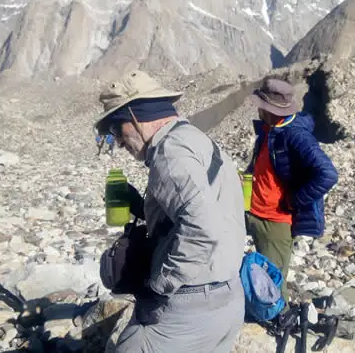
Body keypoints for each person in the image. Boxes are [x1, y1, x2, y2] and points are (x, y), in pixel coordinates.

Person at [93, 70, 246, 353]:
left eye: (116, 130)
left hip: (190, 306)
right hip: (228, 296)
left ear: (135, 117)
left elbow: (202, 230)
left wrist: (157, 289)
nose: (119, 142)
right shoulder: (196, 140)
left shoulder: (169, 154)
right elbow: (207, 207)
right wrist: (143, 205)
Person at [243, 78, 338, 309]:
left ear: (270, 109)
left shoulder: (295, 135)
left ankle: (278, 323)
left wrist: (294, 200)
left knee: (271, 283)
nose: (258, 109)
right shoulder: (270, 130)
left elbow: (327, 174)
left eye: (261, 105)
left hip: (274, 221)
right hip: (253, 211)